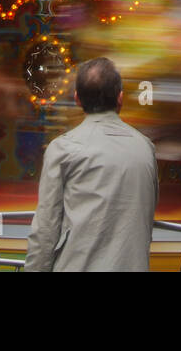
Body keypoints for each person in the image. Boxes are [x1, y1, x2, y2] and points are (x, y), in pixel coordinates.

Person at [26, 57, 157, 271]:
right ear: (120, 98)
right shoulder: (146, 149)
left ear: (77, 99)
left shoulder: (62, 149)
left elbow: (45, 229)